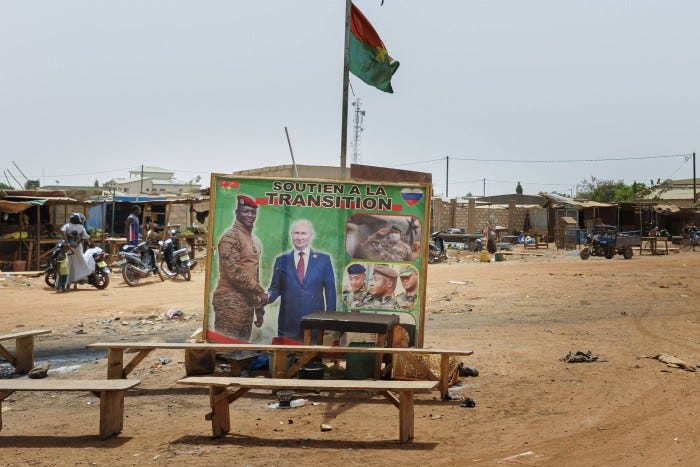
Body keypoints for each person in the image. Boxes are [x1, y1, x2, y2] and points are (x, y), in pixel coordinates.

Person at [211, 195, 268, 342]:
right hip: (229, 301)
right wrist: (260, 291)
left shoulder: (252, 240)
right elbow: (234, 272)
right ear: (237, 213)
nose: (250, 215)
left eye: (253, 212)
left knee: (241, 353)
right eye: (245, 211)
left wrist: (259, 309)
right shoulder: (230, 237)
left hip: (247, 303)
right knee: (226, 350)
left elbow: (254, 275)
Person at [267, 219, 336, 341]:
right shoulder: (281, 260)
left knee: (312, 358)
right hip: (287, 323)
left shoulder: (324, 260)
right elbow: (275, 289)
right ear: (291, 235)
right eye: (296, 233)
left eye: (303, 233)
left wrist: (329, 321)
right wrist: (265, 297)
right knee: (287, 358)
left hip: (314, 323)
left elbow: (330, 292)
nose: (299, 237)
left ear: (311, 236)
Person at [61, 213, 92, 288]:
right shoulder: (81, 227)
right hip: (78, 248)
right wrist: (90, 243)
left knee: (69, 265)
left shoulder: (67, 225)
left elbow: (62, 231)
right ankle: (75, 284)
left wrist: (66, 241)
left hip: (68, 248)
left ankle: (68, 283)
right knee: (79, 264)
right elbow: (86, 237)